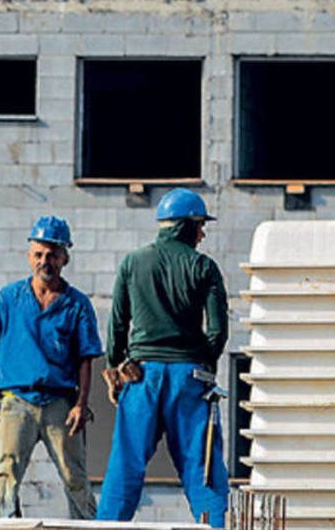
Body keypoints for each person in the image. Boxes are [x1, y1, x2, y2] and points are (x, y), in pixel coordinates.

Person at [97, 188, 230, 526]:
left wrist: (115, 366)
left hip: (141, 377)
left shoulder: (132, 263)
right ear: (184, 226)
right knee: (201, 469)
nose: (202, 234)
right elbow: (217, 332)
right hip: (188, 378)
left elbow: (117, 324)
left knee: (125, 466)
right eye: (199, 226)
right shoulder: (204, 267)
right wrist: (202, 364)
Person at [0, 216, 102, 519]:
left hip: (59, 401)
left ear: (65, 258)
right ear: (29, 256)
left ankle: (89, 526)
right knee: (4, 474)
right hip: (16, 400)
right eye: (39, 254)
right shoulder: (9, 297)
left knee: (75, 477)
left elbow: (86, 358)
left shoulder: (77, 304)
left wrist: (81, 404)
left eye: (53, 255)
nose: (46, 261)